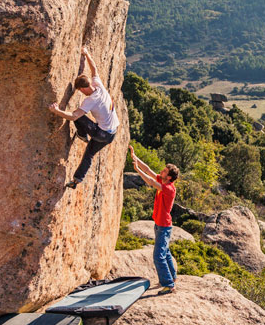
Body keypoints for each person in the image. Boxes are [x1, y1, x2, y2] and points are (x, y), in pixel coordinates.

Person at [48, 46, 120, 189]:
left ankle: (81, 134)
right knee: (89, 154)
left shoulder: (90, 100)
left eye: (80, 91)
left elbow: (74, 116)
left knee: (79, 117)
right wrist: (86, 54)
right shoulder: (98, 86)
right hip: (113, 132)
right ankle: (76, 181)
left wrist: (56, 111)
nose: (80, 93)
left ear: (82, 89)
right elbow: (94, 69)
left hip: (102, 133)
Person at [129, 145, 180, 293]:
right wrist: (135, 157)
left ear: (169, 177)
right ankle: (173, 276)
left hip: (164, 226)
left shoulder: (168, 188)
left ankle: (169, 284)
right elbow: (149, 170)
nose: (161, 171)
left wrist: (137, 170)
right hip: (159, 224)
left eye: (164, 171)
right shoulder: (164, 181)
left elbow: (150, 181)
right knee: (166, 252)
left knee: (158, 256)